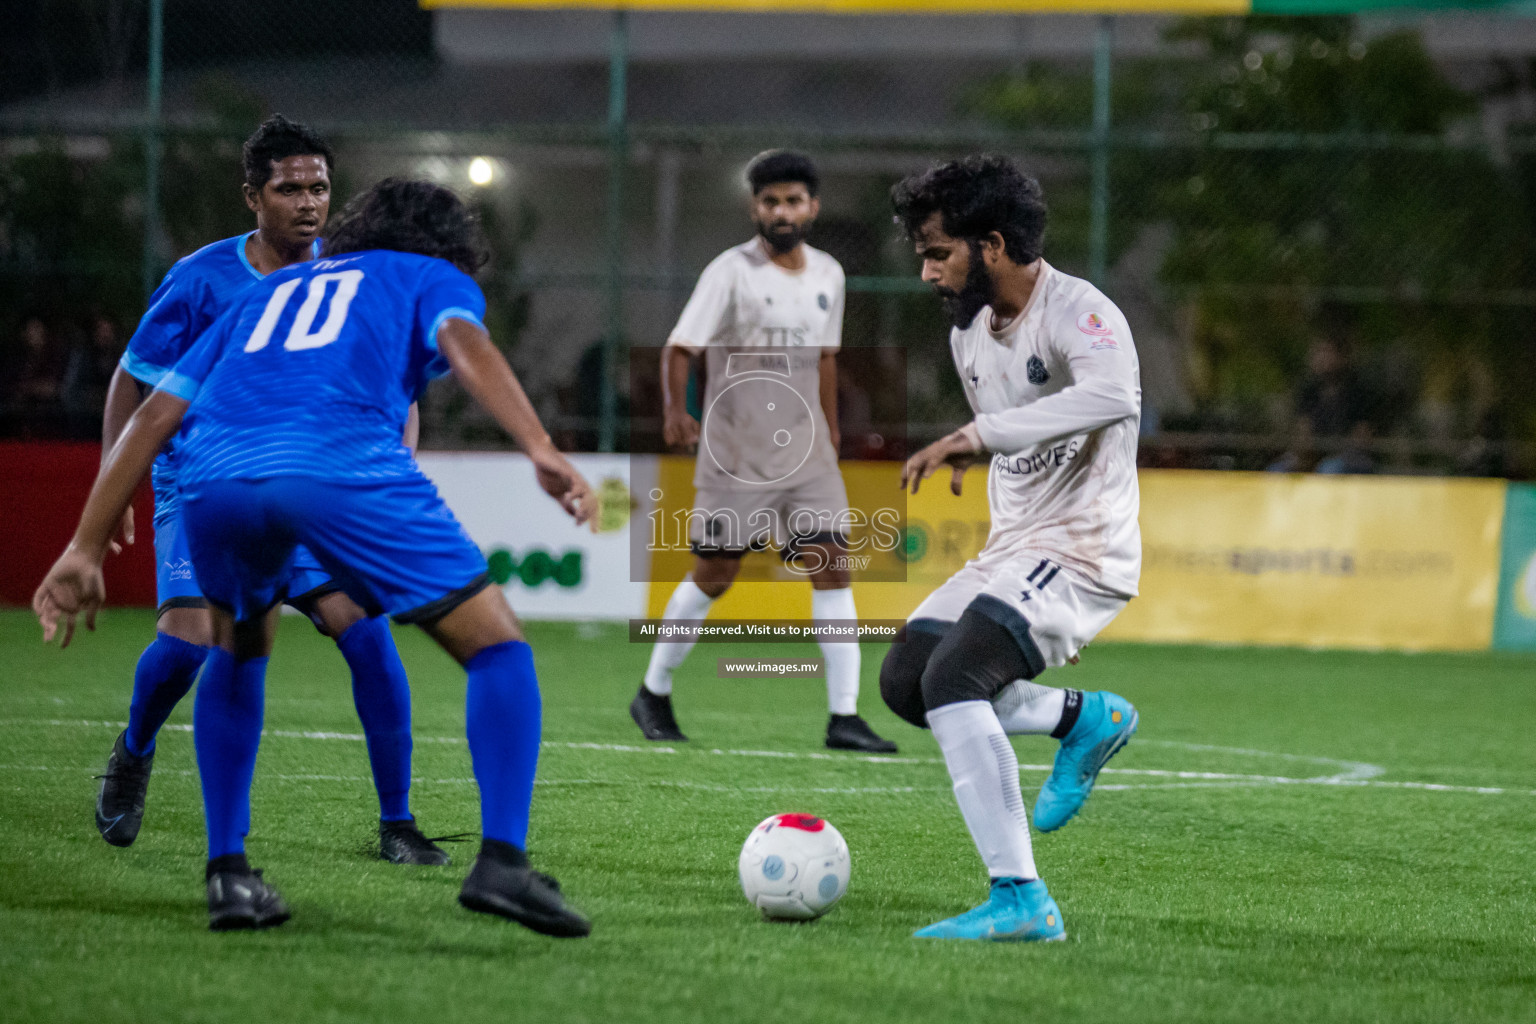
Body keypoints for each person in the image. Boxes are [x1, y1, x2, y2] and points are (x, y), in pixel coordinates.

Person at [35, 178, 595, 936]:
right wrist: (539, 446)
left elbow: (156, 413)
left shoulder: (267, 291)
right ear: (447, 245)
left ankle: (228, 876)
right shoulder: (426, 273)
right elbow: (467, 345)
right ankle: (502, 863)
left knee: (239, 647)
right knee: (498, 649)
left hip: (216, 481)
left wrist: (83, 546)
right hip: (339, 468)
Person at [94, 115, 447, 866]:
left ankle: (399, 822)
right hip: (206, 484)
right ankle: (135, 748)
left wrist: (392, 470)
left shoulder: (350, 276)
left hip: (311, 488)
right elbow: (135, 378)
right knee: (191, 645)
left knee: (368, 631)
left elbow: (401, 389)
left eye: (319, 186)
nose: (309, 202)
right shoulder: (201, 278)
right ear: (253, 196)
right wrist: (111, 478)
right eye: (290, 189)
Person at [882, 155, 1142, 942]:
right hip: (1017, 547)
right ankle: (1085, 719)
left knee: (957, 678)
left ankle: (1021, 899)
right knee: (905, 682)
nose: (926, 273)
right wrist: (986, 454)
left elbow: (1110, 398)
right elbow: (1026, 435)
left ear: (990, 244)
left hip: (1085, 547)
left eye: (937, 253)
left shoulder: (1080, 312)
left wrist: (977, 435)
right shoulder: (970, 335)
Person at [631, 149, 896, 754]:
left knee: (832, 565)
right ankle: (654, 689)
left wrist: (829, 429)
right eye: (770, 201)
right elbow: (680, 347)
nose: (782, 211)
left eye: (793, 200)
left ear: (813, 206)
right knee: (716, 573)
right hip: (737, 451)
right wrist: (678, 412)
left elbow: (826, 358)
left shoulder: (829, 273)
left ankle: (844, 717)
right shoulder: (730, 271)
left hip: (807, 454)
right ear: (755, 207)